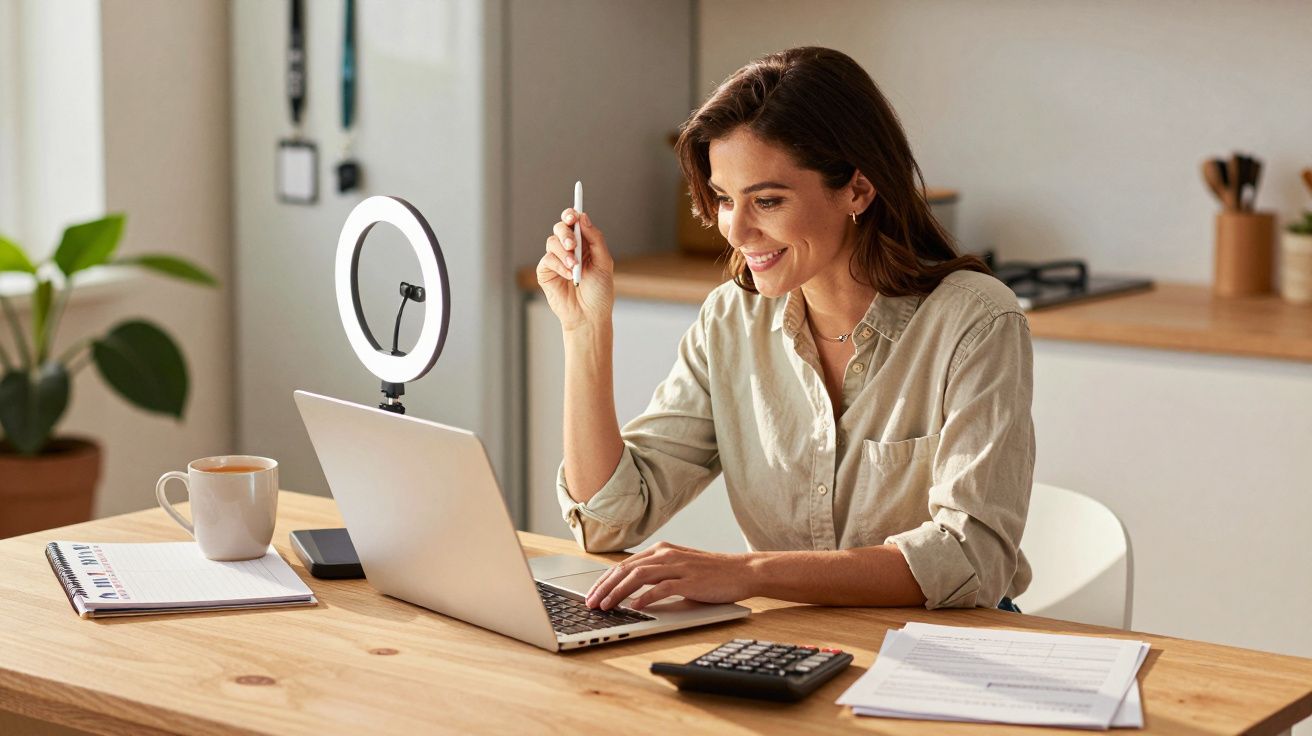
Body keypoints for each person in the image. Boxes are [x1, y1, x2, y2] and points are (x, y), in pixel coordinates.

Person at [535, 46, 1033, 614]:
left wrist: (749, 572)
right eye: (724, 199)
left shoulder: (976, 321)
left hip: (946, 644)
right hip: (796, 639)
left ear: (857, 190)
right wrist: (584, 329)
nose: (736, 230)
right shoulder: (732, 319)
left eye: (767, 200)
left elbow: (971, 559)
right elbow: (608, 521)